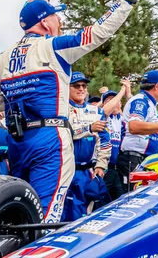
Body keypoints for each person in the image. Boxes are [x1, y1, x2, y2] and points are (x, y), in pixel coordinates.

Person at [0, 0, 144, 223]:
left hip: (18, 141)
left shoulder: (2, 57)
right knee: (46, 221)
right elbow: (97, 33)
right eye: (56, 16)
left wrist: (17, 102)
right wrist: (126, 0)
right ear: (45, 22)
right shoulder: (53, 46)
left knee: (21, 215)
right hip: (50, 140)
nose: (60, 20)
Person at [118, 70, 158, 192]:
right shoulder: (141, 100)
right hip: (134, 158)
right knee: (132, 199)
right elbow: (134, 126)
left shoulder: (148, 103)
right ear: (157, 86)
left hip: (143, 159)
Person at [62, 72, 111, 221]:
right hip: (64, 170)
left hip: (86, 172)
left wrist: (101, 165)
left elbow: (105, 141)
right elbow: (63, 134)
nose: (81, 89)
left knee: (83, 215)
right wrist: (88, 129)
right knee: (61, 214)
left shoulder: (97, 111)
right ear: (67, 88)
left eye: (84, 85)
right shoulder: (61, 110)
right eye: (76, 85)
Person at [101, 81, 130, 200]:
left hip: (118, 169)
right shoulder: (102, 117)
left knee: (120, 199)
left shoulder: (122, 119)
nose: (113, 104)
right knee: (101, 199)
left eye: (116, 100)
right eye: (108, 101)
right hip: (103, 167)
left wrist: (128, 93)